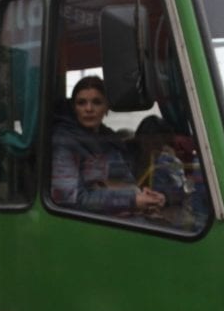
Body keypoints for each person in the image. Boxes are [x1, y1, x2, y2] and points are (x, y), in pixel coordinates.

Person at [50, 75, 166, 214]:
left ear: (106, 107)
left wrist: (142, 194)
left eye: (97, 102)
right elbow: (69, 198)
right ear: (74, 108)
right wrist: (132, 200)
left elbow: (121, 181)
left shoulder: (110, 139)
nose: (88, 109)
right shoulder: (64, 141)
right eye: (81, 103)